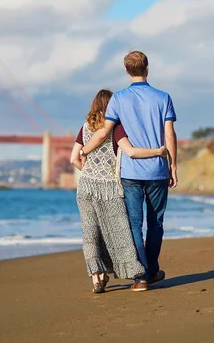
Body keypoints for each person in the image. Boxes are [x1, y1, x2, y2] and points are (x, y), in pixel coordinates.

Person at [80, 50, 178, 292]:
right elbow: (169, 135)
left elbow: (103, 132)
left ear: (127, 71)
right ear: (147, 68)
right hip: (157, 170)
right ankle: (153, 270)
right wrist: (173, 164)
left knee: (134, 224)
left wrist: (85, 150)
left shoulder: (119, 99)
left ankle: (141, 277)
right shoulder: (163, 97)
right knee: (156, 223)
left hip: (131, 173)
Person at [71, 89, 167, 293]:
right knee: (118, 233)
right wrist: (158, 152)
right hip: (110, 188)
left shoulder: (84, 128)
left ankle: (97, 278)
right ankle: (138, 274)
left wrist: (89, 170)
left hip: (86, 186)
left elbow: (74, 158)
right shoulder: (116, 128)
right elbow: (131, 151)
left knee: (90, 233)